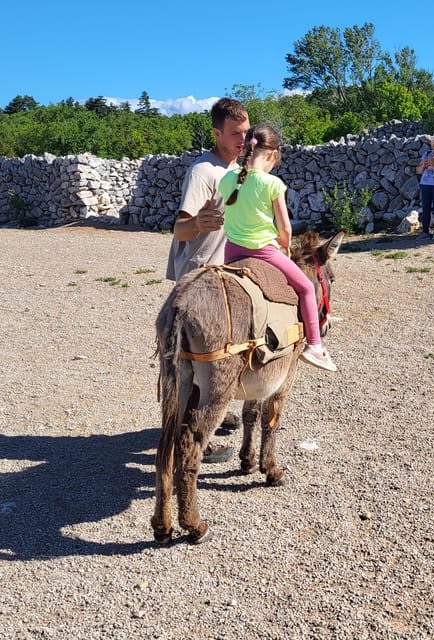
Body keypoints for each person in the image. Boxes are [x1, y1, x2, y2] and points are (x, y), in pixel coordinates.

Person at [165, 97, 250, 463]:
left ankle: (214, 409)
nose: (244, 140)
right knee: (197, 360)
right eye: (235, 134)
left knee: (223, 354)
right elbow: (180, 228)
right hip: (200, 278)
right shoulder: (204, 172)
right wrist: (198, 223)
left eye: (246, 133)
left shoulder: (240, 168)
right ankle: (194, 434)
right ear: (217, 133)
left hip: (226, 276)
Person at [217, 124, 337, 373]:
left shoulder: (228, 179)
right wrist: (284, 245)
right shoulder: (272, 183)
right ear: (272, 154)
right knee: (306, 288)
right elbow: (285, 229)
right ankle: (315, 345)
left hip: (231, 251)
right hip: (263, 251)